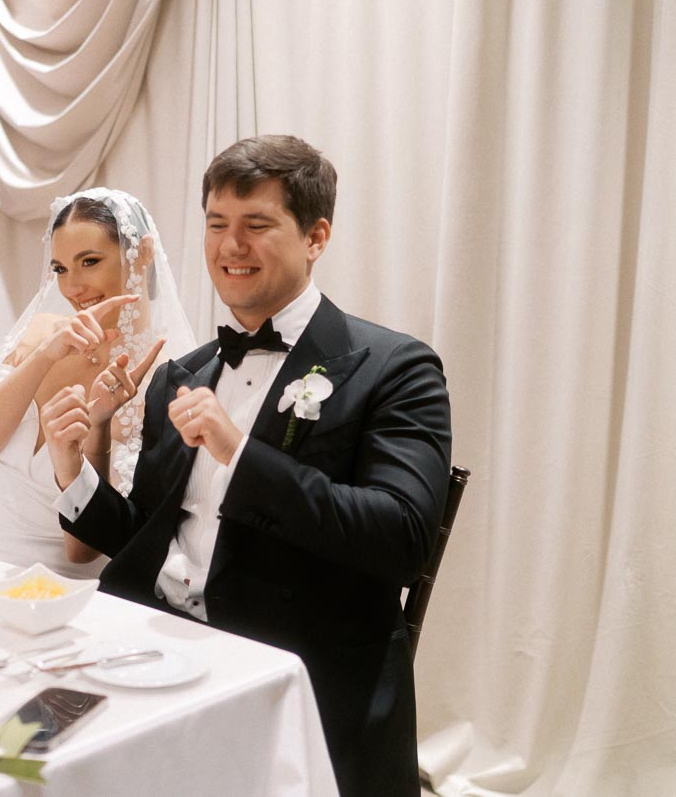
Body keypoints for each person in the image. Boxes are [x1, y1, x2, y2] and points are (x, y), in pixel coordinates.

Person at [42, 136, 452, 796]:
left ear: (316, 236)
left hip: (290, 667)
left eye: (256, 225)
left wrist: (239, 455)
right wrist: (73, 470)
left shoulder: (394, 369)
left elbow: (400, 540)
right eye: (216, 225)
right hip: (155, 650)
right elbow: (146, 536)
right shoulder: (184, 372)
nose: (230, 246)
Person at [0, 188, 195, 578]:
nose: (72, 288)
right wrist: (45, 355)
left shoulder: (164, 378)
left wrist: (98, 430)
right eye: (61, 269)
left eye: (90, 262)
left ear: (142, 254)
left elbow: (88, 547)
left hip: (64, 584)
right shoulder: (43, 334)